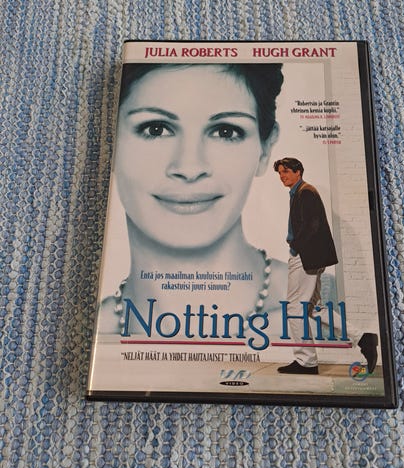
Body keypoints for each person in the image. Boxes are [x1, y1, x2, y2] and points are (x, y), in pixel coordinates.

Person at [98, 63, 288, 334]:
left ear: (265, 150)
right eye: (155, 129)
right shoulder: (92, 332)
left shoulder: (330, 310)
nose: (189, 168)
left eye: (225, 132)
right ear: (111, 144)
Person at [274, 157, 378, 374]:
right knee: (314, 308)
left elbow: (312, 225)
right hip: (310, 257)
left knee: (295, 308)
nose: (282, 176)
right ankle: (363, 338)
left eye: (286, 171)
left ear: (298, 172)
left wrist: (296, 246)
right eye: (280, 173)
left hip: (305, 257)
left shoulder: (306, 192)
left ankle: (306, 362)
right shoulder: (299, 192)